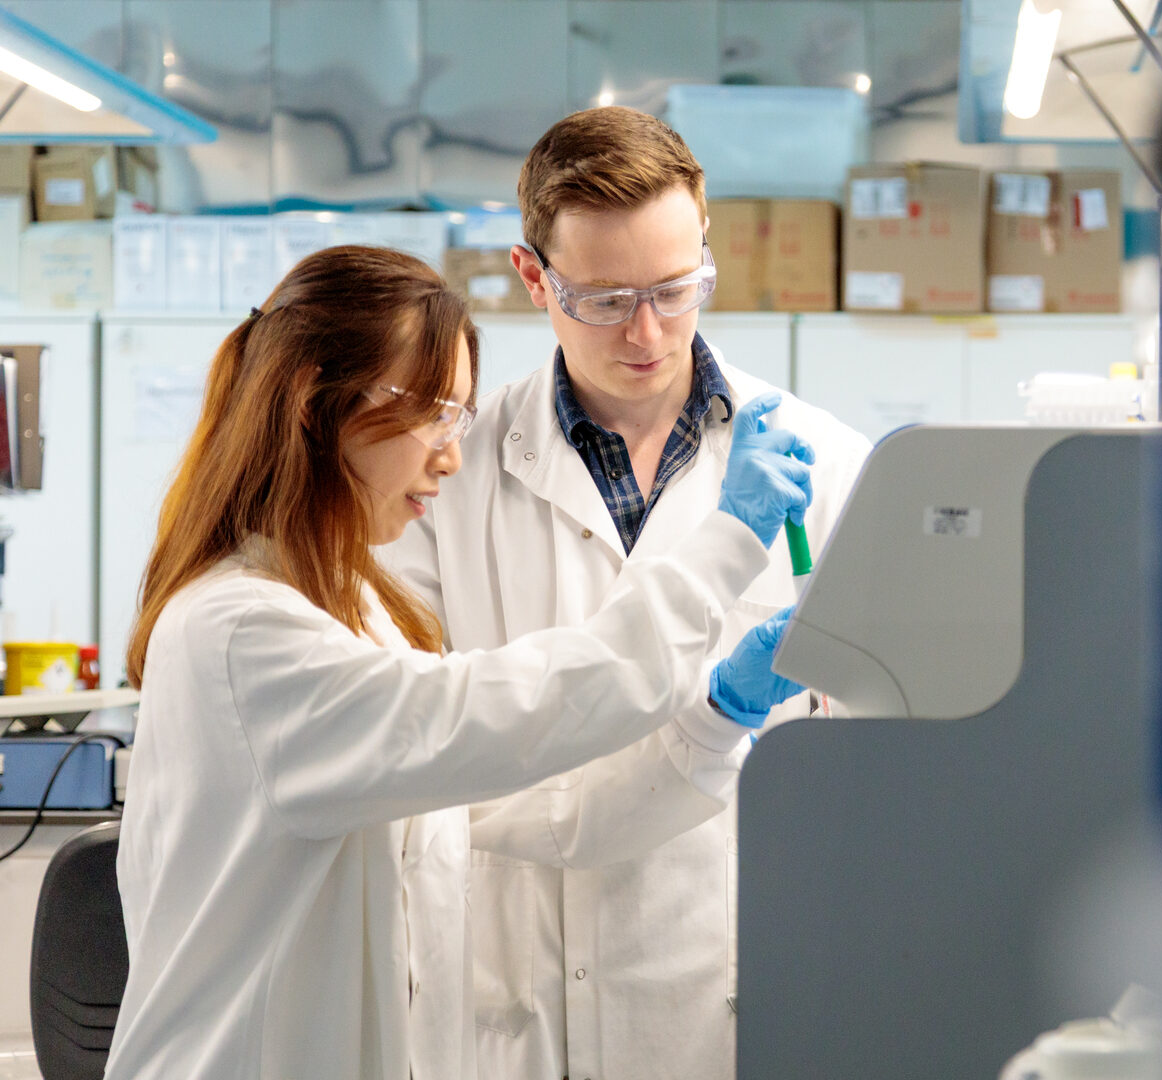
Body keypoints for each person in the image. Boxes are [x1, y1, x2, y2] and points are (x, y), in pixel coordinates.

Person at [105, 245, 815, 1080]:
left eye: (460, 418)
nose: (451, 455)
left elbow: (553, 812)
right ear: (311, 400)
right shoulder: (241, 635)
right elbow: (510, 709)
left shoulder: (357, 614)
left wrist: (717, 715)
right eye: (432, 413)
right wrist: (728, 546)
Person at [381, 107, 872, 1080]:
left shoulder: (829, 466)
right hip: (511, 997)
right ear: (534, 278)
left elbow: (869, 761)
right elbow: (412, 760)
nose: (647, 332)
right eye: (604, 300)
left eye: (674, 289)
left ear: (704, 253)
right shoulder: (445, 477)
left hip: (725, 996)